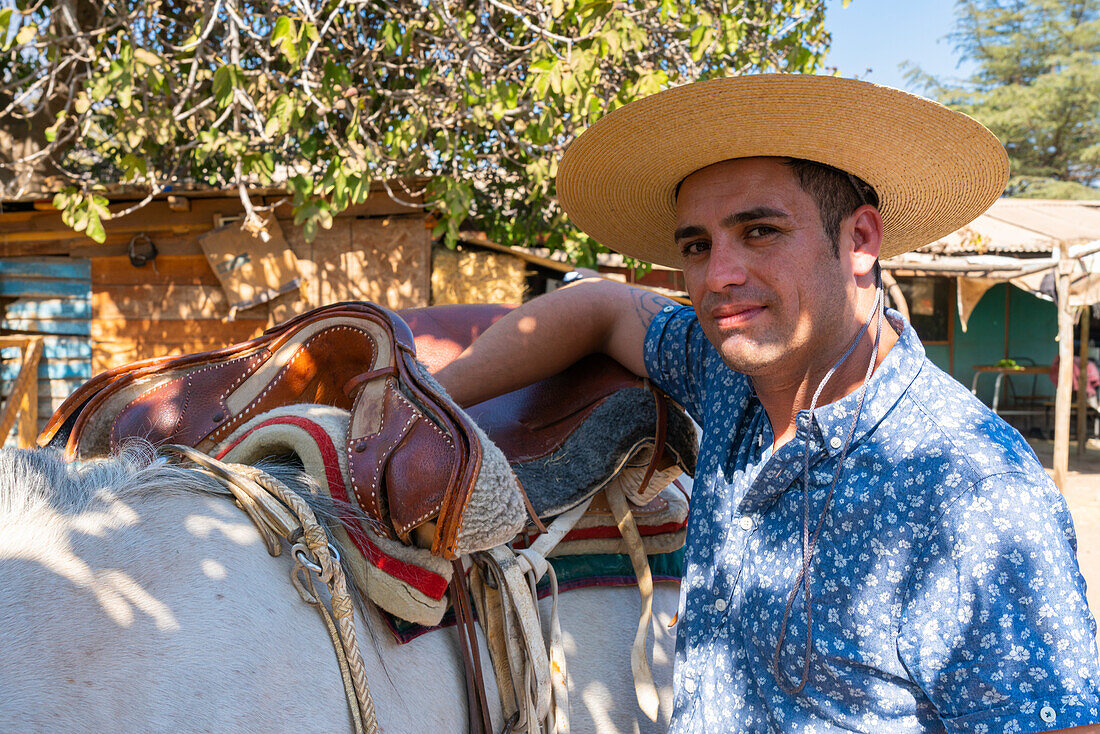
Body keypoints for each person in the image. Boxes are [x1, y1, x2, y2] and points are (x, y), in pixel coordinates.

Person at [435, 75, 1100, 733]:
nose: (718, 276)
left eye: (759, 231)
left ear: (860, 240)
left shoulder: (974, 492)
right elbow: (602, 307)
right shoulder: (730, 373)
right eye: (697, 245)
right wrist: (429, 395)